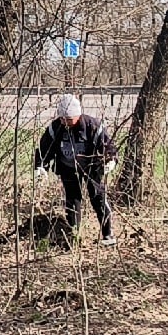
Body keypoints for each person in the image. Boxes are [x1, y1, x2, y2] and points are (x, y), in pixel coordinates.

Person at [35, 92, 114, 243]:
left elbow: (107, 145)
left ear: (78, 115)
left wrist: (110, 160)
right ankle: (74, 235)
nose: (66, 122)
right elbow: (44, 148)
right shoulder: (55, 128)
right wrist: (40, 166)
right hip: (67, 169)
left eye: (69, 119)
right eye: (63, 119)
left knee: (98, 198)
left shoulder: (92, 126)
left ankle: (108, 234)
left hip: (92, 168)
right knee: (72, 201)